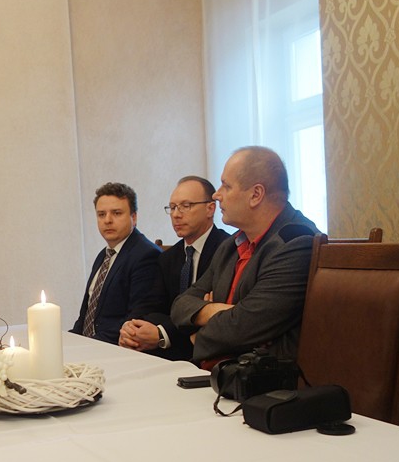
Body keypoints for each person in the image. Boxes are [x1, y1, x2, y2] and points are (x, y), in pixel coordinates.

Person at [170, 146, 318, 366]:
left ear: (256, 195)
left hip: (259, 380)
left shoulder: (297, 242)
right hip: (219, 372)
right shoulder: (232, 244)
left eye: (226, 186)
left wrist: (197, 334)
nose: (216, 195)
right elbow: (180, 305)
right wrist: (215, 310)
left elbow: (244, 327)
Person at [119, 176, 230, 359]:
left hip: (210, 353)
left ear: (210, 208)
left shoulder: (227, 250)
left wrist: (164, 333)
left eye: (186, 206)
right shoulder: (168, 257)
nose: (176, 214)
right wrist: (131, 327)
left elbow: (212, 318)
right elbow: (153, 306)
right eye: (172, 207)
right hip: (172, 351)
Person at [70, 182, 160, 345]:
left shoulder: (146, 255)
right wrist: (69, 342)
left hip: (115, 348)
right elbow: (84, 317)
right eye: (101, 214)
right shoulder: (104, 255)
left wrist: (86, 346)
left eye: (116, 213)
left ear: (134, 217)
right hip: (91, 346)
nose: (108, 220)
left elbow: (135, 319)